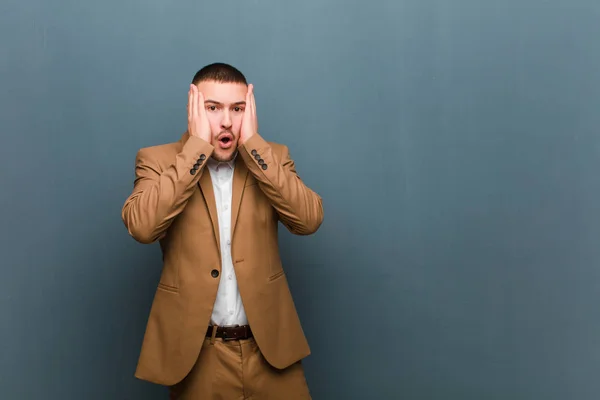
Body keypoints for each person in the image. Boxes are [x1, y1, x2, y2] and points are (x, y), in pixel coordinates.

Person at [121, 62, 324, 399]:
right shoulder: (157, 160)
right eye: (213, 108)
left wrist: (255, 146)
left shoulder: (272, 157)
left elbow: (309, 220)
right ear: (193, 109)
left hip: (271, 351)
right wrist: (196, 149)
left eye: (238, 108)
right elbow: (142, 227)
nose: (227, 121)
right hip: (199, 357)